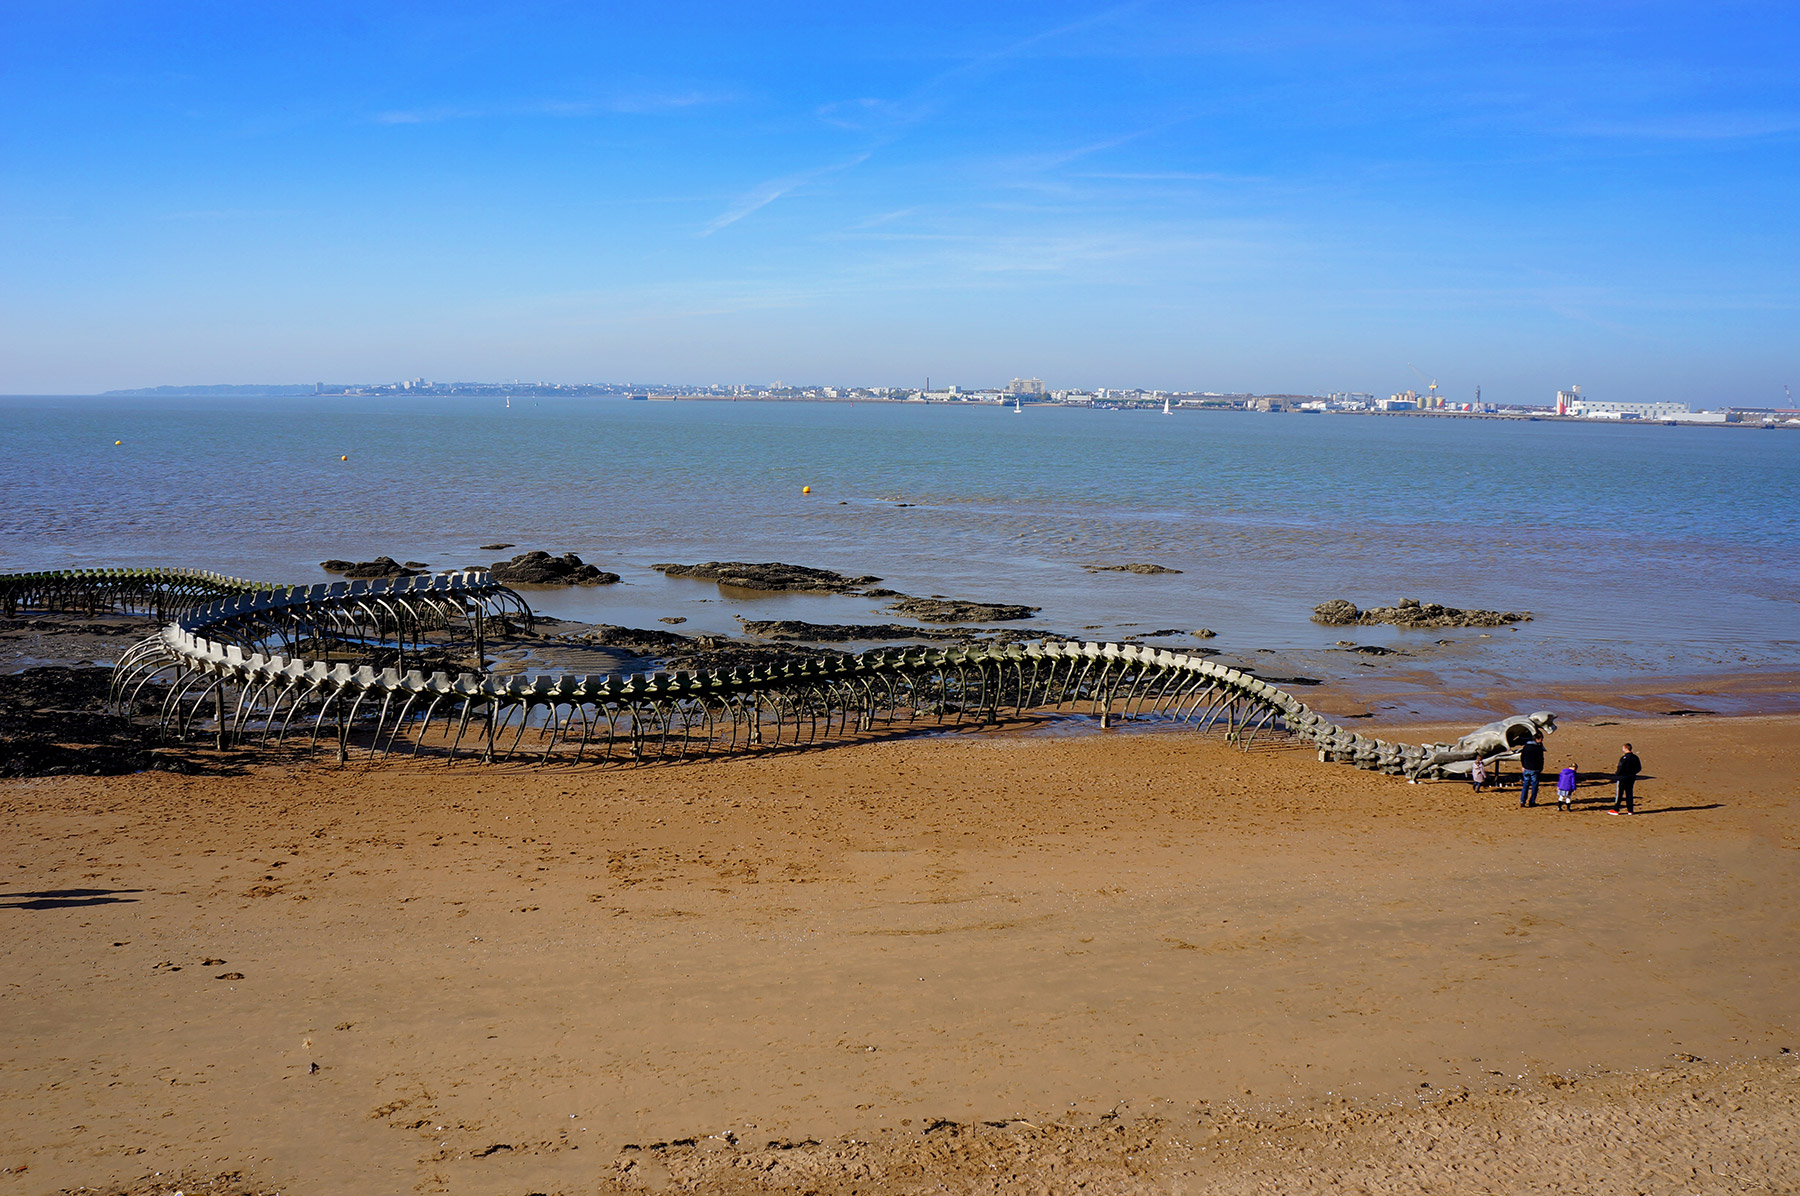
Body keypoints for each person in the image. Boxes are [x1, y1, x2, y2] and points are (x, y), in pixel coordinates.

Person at [1612, 743, 1642, 815]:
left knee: (1619, 794)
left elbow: (1620, 768)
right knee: (1629, 793)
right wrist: (1633, 773)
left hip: (1623, 778)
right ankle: (1630, 810)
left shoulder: (1624, 758)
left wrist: (1617, 776)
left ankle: (1616, 809)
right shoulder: (1635, 757)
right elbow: (1639, 768)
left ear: (1625, 748)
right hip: (1631, 777)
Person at [1518, 734, 1545, 808]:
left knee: (1525, 785)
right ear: (1538, 739)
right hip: (1534, 769)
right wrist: (1540, 768)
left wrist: (1523, 765)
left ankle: (1522, 801)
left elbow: (1522, 757)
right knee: (1534, 786)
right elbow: (1540, 759)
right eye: (1542, 739)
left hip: (1526, 768)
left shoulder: (1526, 746)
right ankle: (1532, 801)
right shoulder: (1538, 748)